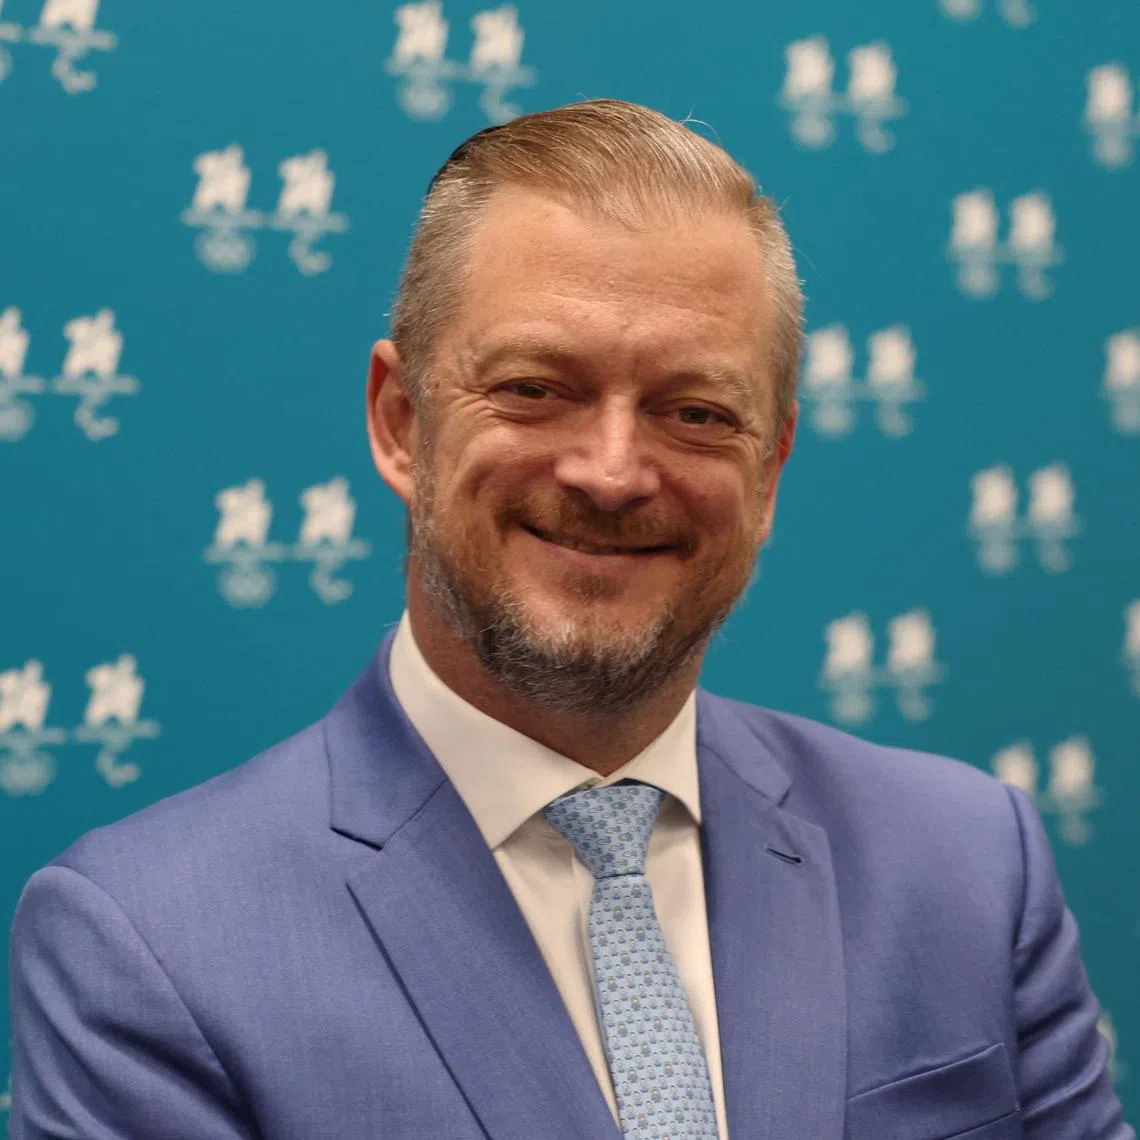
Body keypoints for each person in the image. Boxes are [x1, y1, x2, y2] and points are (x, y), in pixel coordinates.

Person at [8, 100, 1131, 1140]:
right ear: (402, 423)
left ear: (772, 466)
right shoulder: (147, 945)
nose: (611, 471)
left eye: (695, 412)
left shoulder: (971, 864)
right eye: (537, 389)